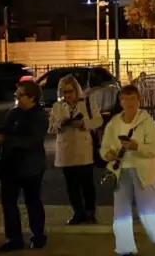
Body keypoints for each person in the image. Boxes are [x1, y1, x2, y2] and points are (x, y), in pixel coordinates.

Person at [101, 84, 155, 256]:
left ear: (139, 101)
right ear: (121, 102)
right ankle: (125, 249)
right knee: (121, 213)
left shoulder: (146, 122)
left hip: (144, 172)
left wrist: (136, 146)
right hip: (120, 171)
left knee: (149, 211)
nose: (129, 102)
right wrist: (108, 154)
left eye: (133, 98)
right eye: (125, 98)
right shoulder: (114, 123)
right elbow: (104, 147)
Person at [0, 80, 49, 252]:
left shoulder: (39, 116)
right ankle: (14, 238)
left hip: (30, 166)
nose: (17, 99)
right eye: (16, 95)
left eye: (21, 96)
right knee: (9, 204)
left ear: (32, 97)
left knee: (33, 202)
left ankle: (38, 235)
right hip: (10, 165)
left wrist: (6, 140)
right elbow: (6, 130)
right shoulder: (14, 113)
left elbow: (32, 141)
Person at [48, 74, 102, 225]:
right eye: (63, 91)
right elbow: (50, 128)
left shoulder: (87, 103)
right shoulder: (57, 106)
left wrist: (83, 123)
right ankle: (78, 212)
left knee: (87, 184)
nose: (67, 95)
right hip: (65, 150)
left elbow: (98, 121)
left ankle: (90, 212)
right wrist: (60, 124)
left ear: (76, 90)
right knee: (71, 185)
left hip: (83, 148)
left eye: (69, 91)